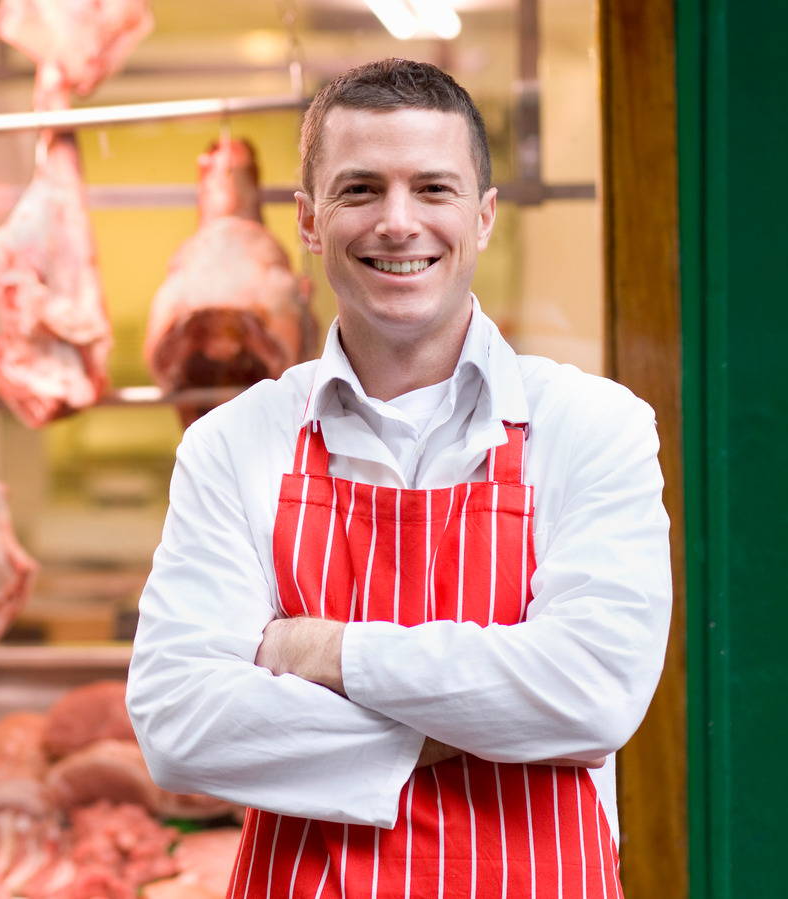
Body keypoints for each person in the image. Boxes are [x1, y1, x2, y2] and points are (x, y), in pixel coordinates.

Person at [126, 58, 671, 898]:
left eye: (433, 189)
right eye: (360, 190)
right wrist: (464, 727)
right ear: (309, 221)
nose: (398, 221)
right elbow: (180, 726)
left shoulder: (595, 426)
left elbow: (591, 691)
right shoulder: (232, 442)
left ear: (483, 217)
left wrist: (320, 649)